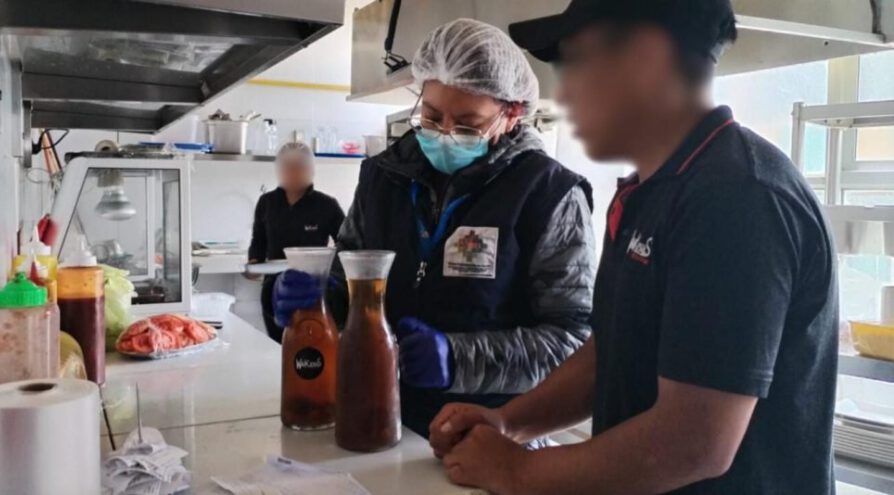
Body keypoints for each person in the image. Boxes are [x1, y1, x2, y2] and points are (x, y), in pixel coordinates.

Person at [428, 1, 839, 494]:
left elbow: (695, 442)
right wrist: (509, 423)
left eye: (577, 63)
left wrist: (516, 471)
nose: (565, 91)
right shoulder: (649, 190)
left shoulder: (735, 197)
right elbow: (612, 351)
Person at [272, 18, 597, 437]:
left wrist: (457, 359)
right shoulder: (383, 178)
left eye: (467, 123)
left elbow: (572, 343)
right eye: (431, 114)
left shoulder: (549, 195)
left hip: (486, 437)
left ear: (511, 113)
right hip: (370, 416)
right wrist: (314, 298)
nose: (444, 134)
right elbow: (347, 284)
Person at [249, 142, 345, 342]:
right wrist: (252, 265)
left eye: (299, 167)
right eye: (287, 167)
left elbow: (346, 246)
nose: (293, 172)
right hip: (274, 291)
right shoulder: (267, 203)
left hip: (312, 291)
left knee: (310, 349)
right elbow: (258, 242)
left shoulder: (327, 205)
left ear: (311, 170)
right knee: (280, 347)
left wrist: (333, 275)